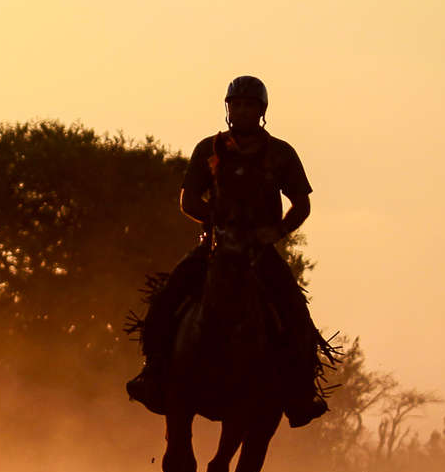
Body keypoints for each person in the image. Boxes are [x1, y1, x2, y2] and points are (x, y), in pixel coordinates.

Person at [126, 76, 328, 427]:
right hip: (214, 248)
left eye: (250, 105)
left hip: (259, 252)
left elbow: (301, 205)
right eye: (237, 104)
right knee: (165, 299)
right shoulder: (208, 149)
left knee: (297, 315)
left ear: (261, 111)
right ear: (228, 108)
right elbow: (188, 200)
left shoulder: (281, 153)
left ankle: (300, 393)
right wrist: (219, 224)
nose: (243, 110)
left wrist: (274, 231)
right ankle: (153, 374)